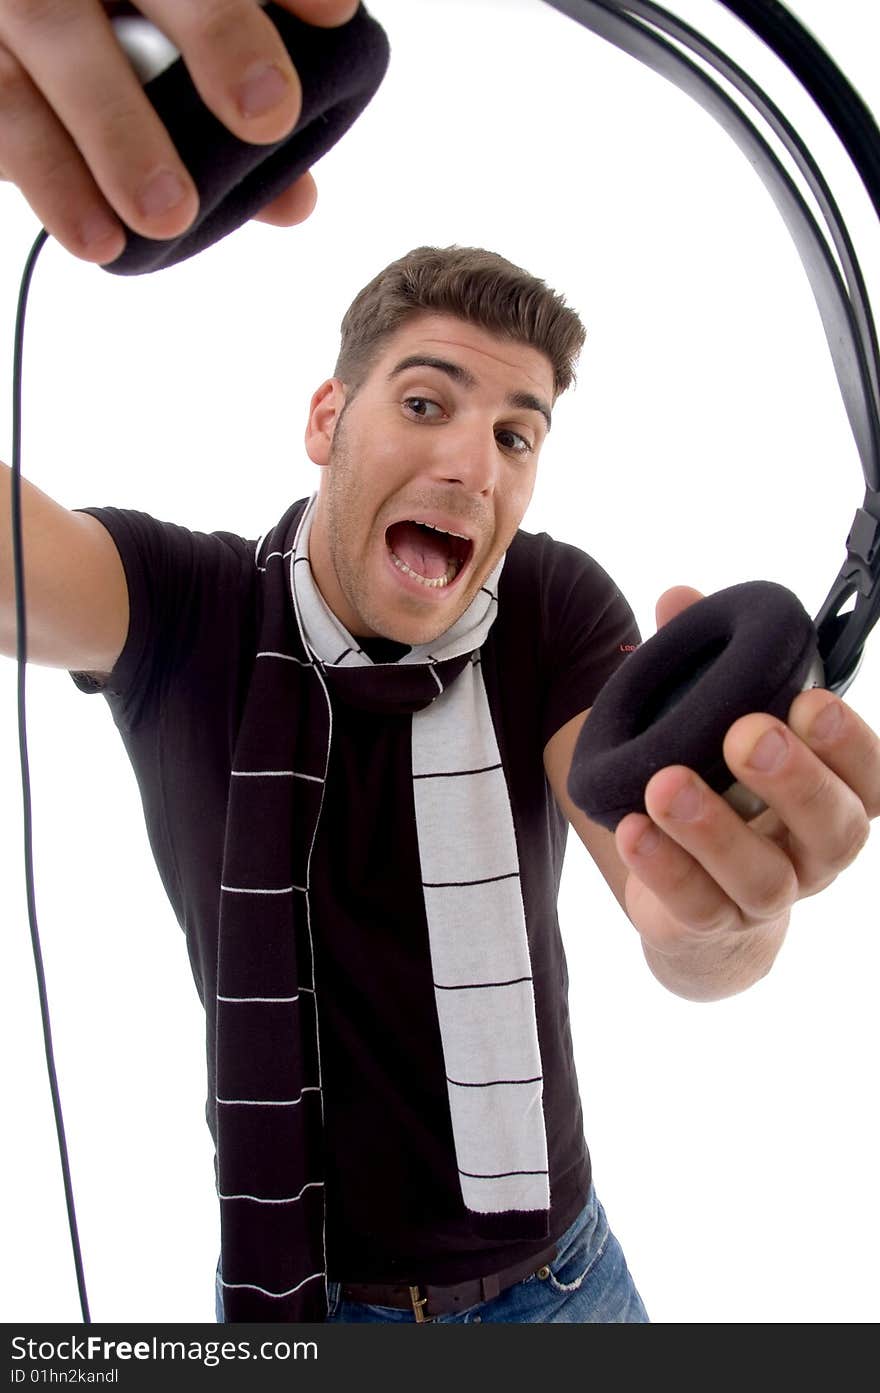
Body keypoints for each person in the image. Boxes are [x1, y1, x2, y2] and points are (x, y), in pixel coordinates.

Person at [1, 0, 878, 1326]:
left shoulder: (550, 601)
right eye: (427, 402)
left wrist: (723, 912)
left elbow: (670, 913)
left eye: (518, 435)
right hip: (315, 1315)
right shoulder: (181, 604)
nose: (476, 463)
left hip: (572, 1285)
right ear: (326, 418)